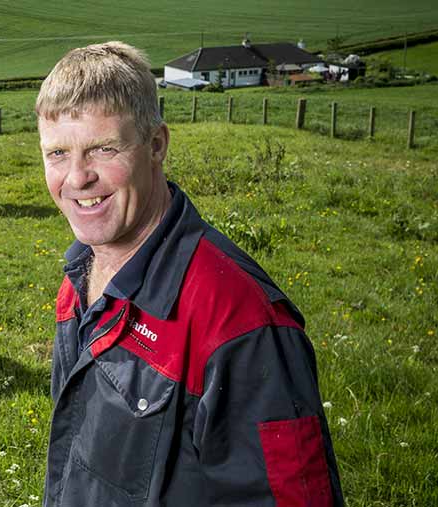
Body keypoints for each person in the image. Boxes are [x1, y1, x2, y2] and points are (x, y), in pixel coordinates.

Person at [35, 41, 344, 506]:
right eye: (57, 153)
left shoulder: (241, 323)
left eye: (102, 149)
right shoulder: (79, 274)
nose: (77, 179)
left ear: (156, 144)